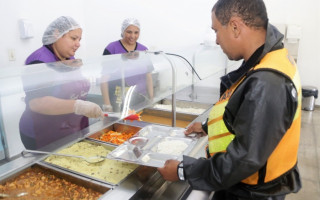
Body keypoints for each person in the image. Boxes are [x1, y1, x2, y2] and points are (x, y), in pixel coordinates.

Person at [158, 0, 302, 200]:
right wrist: (208, 127)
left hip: (252, 193)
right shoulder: (270, 58)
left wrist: (184, 170)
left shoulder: (267, 82)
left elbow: (244, 159)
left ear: (235, 27)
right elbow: (251, 119)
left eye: (216, 30)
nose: (216, 41)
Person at [20, 16, 103, 150]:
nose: (78, 44)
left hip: (67, 128)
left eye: (79, 39)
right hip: (43, 132)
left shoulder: (69, 58)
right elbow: (37, 103)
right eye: (73, 38)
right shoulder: (39, 61)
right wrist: (79, 106)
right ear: (56, 34)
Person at [101, 18, 153, 112]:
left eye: (136, 32)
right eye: (129, 32)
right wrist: (107, 105)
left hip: (139, 97)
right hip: (117, 98)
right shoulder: (111, 49)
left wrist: (151, 99)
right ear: (123, 31)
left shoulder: (144, 50)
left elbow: (148, 77)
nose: (132, 36)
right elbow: (104, 79)